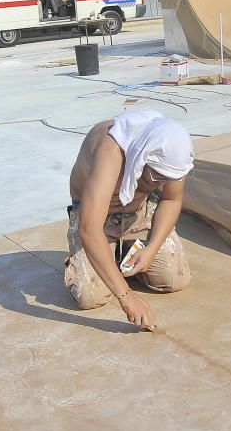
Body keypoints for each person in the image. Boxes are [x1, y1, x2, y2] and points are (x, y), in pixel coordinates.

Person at [65, 110, 194, 330]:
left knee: (174, 279)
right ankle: (110, 257)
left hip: (137, 211)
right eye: (157, 177)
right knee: (89, 296)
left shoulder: (173, 152)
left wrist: (152, 248)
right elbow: (89, 229)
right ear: (142, 157)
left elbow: (172, 199)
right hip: (96, 220)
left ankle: (121, 256)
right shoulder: (111, 149)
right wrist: (126, 297)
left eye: (168, 178)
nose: (161, 183)